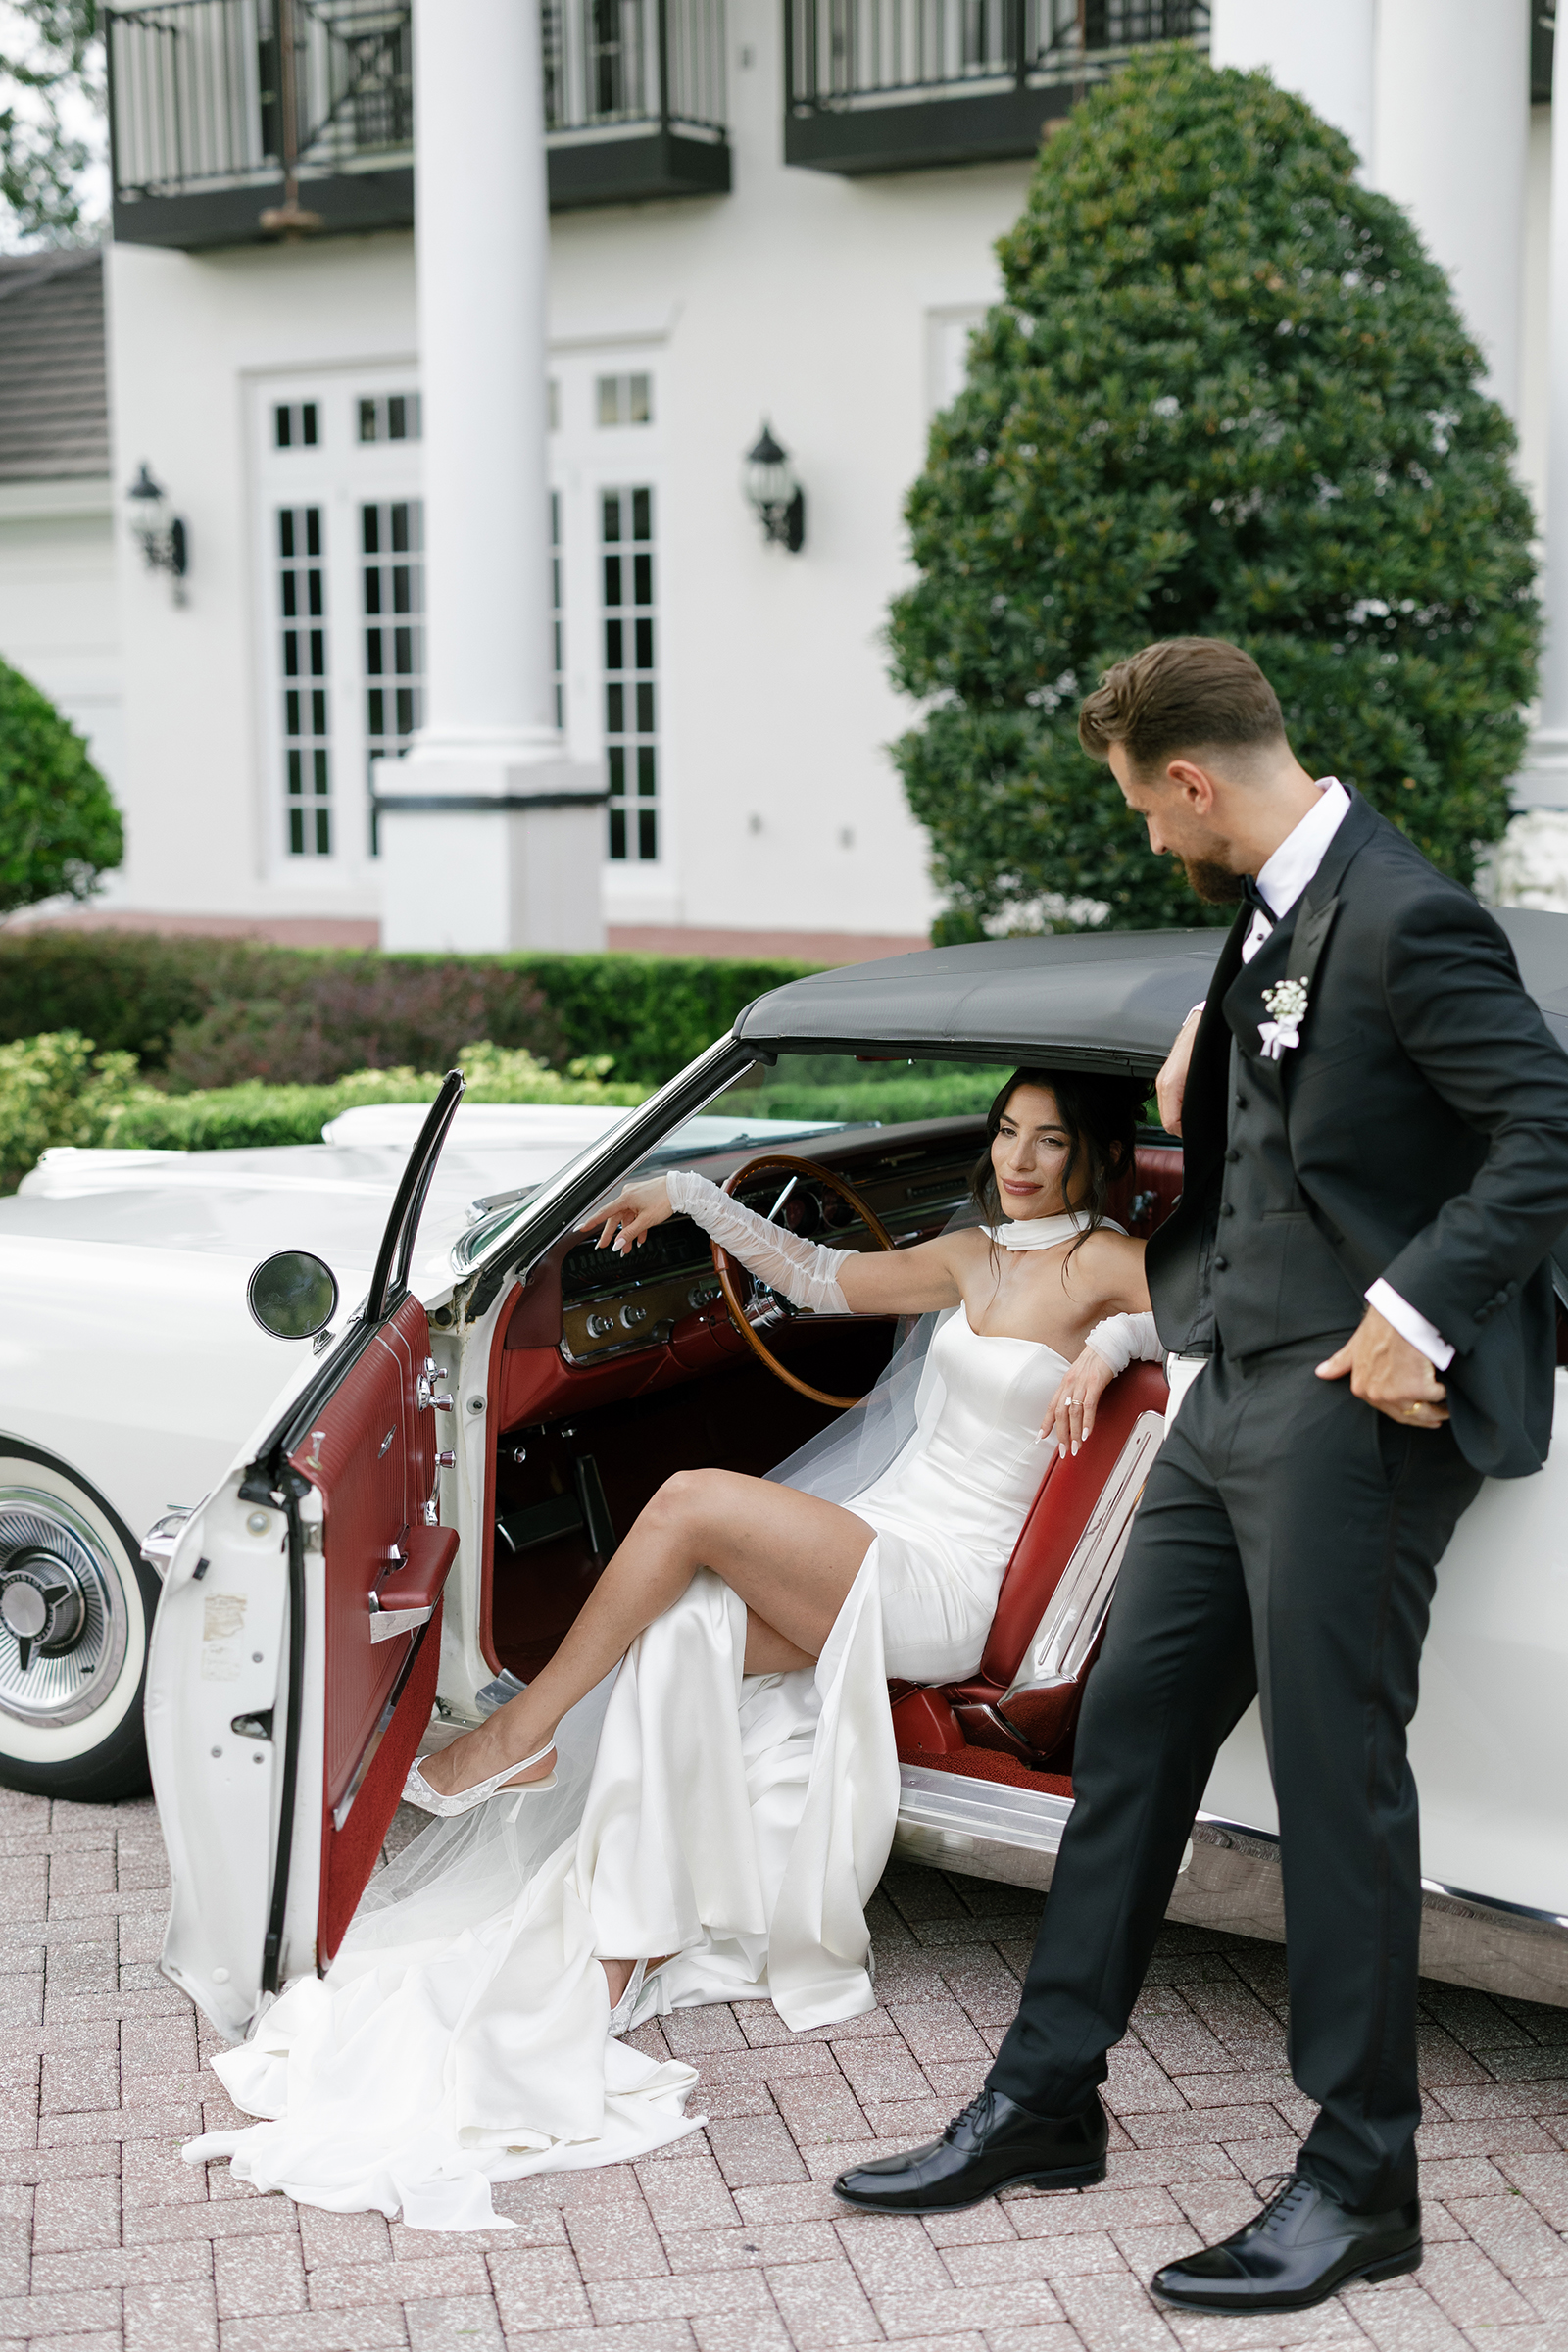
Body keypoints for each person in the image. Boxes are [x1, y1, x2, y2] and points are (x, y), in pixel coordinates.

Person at [834, 637, 1568, 2317]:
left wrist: (1417, 1311)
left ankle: (1363, 2176)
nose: (1157, 849)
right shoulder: (1272, 910)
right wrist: (1210, 1076)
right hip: (1223, 1386)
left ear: (1192, 780)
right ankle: (1046, 2099)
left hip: (1350, 1410)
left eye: (1151, 818)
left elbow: (1549, 1128)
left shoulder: (1403, 912)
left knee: (1333, 1784)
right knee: (1133, 1733)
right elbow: (1312, 1110)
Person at [185, 1068, 1159, 2228]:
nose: (1018, 1160)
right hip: (881, 1533)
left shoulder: (1101, 1264)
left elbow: (1216, 1308)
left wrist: (1112, 1347)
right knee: (685, 1630)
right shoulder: (972, 1253)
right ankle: (627, 1940)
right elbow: (815, 1277)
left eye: (1048, 1143)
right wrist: (695, 1196)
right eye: (1006, 1133)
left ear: (1094, 1158)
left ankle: (518, 1732)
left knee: (692, 1503)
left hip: (943, 1579)